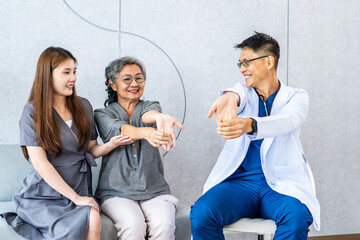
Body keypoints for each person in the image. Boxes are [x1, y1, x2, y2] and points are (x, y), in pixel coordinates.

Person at [190, 32, 320, 240]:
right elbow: (236, 93)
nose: (242, 69)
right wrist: (230, 97)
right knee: (203, 213)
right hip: (240, 183)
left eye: (247, 62)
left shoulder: (296, 97)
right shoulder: (242, 93)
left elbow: (287, 120)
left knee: (296, 219)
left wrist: (249, 124)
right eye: (240, 63)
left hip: (280, 184)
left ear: (269, 61)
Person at [0, 47, 131, 240]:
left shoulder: (84, 106)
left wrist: (110, 145)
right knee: (82, 222)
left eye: (74, 71)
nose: (73, 78)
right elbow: (39, 163)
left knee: (93, 217)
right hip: (43, 196)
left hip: (79, 187)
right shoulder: (33, 112)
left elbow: (90, 149)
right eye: (66, 72)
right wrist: (76, 198)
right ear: (48, 75)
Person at [94, 56, 185, 240]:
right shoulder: (102, 114)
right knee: (133, 226)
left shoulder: (151, 106)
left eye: (139, 78)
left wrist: (161, 118)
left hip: (155, 191)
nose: (134, 83)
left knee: (164, 226)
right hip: (116, 193)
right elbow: (121, 130)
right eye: (127, 79)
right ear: (112, 84)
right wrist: (147, 134)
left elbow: (148, 115)